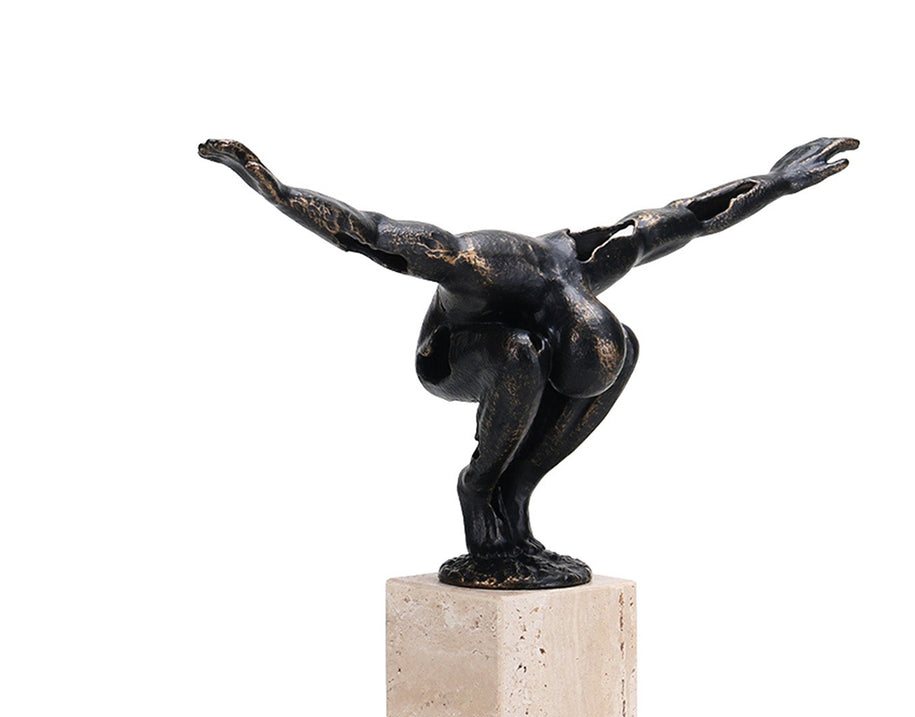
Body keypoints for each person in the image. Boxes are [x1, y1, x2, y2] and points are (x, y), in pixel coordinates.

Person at [199, 137, 858, 587]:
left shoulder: (595, 265)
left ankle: (516, 491)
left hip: (524, 349)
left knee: (628, 345)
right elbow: (365, 231)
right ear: (559, 330)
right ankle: (478, 486)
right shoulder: (480, 261)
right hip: (451, 356)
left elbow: (691, 215)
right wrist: (274, 188)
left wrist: (777, 183)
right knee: (515, 354)